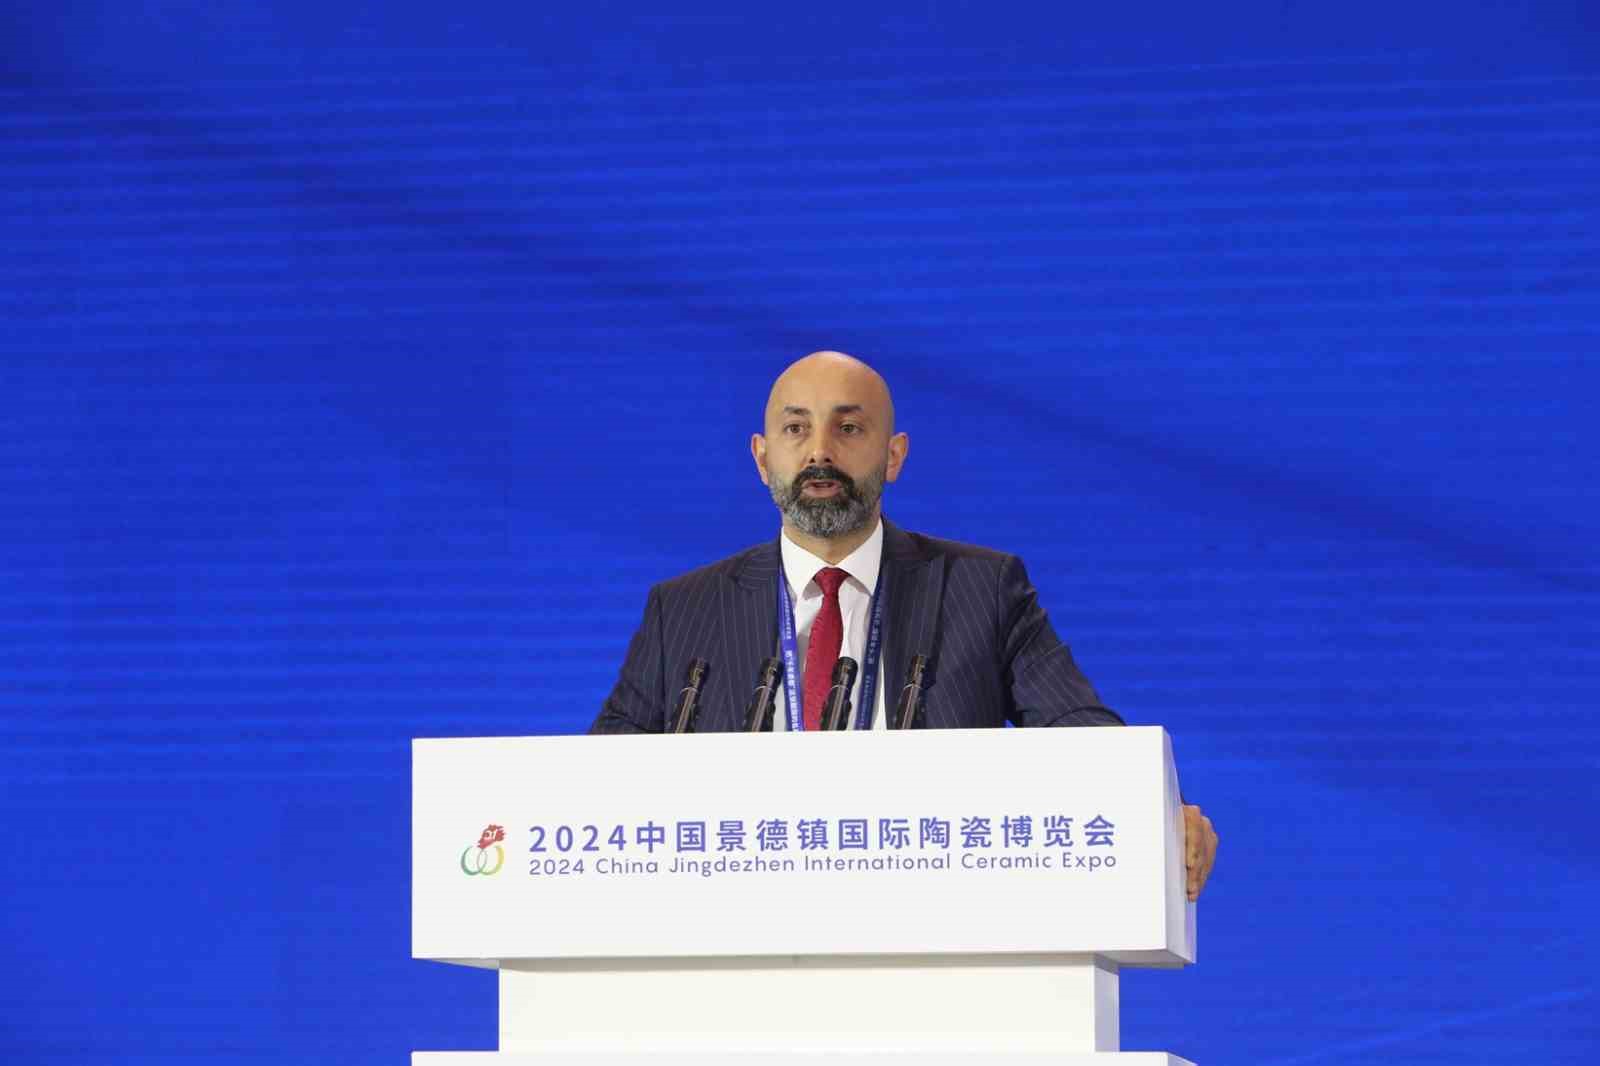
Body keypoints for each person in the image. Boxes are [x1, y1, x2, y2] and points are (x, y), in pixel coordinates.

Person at [590, 351, 1218, 899]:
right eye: (796, 428)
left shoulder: (982, 588)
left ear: (894, 456)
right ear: (762, 457)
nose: (819, 452)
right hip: (728, 919)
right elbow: (595, 785)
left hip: (934, 915)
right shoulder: (686, 608)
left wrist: (1157, 811)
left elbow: (1079, 729)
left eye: (848, 428)